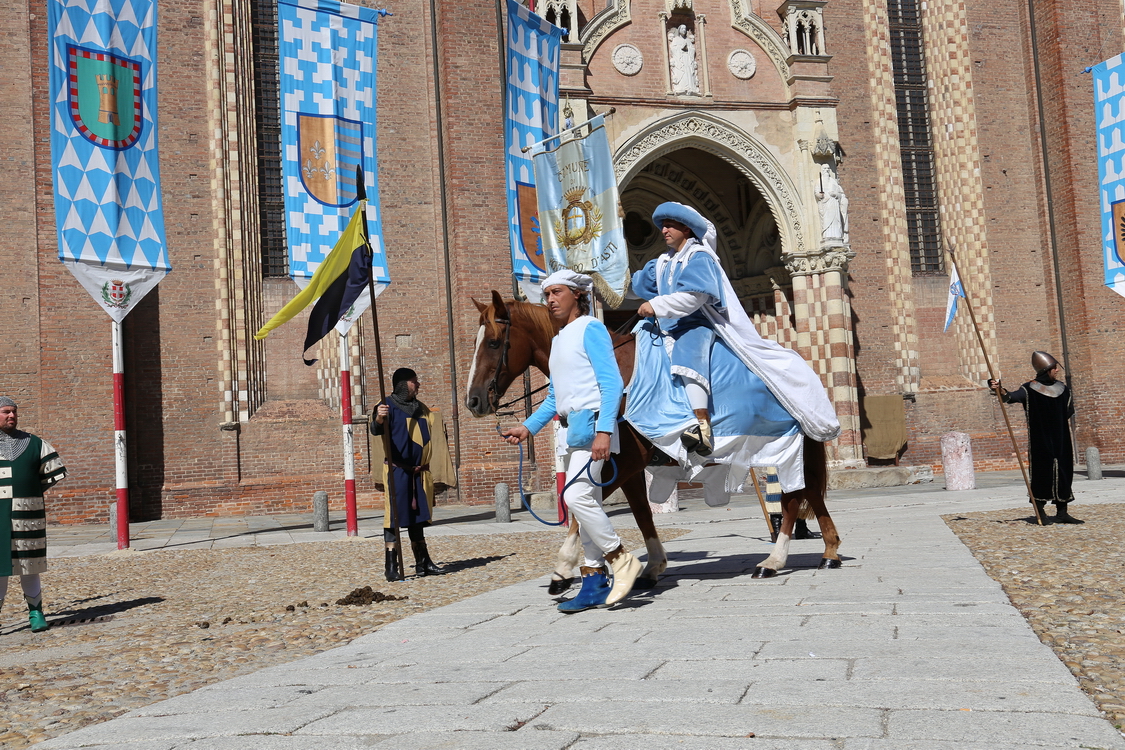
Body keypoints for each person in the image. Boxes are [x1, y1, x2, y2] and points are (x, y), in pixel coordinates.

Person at [631, 201, 841, 462]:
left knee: (688, 350)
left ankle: (701, 426)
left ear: (686, 228)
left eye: (670, 225)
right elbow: (638, 285)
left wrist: (657, 304)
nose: (664, 230)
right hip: (667, 325)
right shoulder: (663, 262)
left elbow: (694, 297)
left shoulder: (699, 257)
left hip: (696, 323)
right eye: (662, 225)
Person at [502, 269, 643, 612]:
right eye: (547, 294)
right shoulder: (561, 338)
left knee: (575, 495)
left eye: (556, 292)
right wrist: (528, 427)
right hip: (572, 432)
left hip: (593, 428)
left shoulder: (591, 328)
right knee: (587, 500)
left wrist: (605, 431)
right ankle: (593, 582)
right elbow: (555, 396)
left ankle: (622, 559)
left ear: (576, 295)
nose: (549, 300)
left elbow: (612, 384)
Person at [371, 368, 457, 580]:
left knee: (417, 518)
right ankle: (391, 565)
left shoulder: (421, 408)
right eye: (413, 382)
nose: (417, 385)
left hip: (418, 473)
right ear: (401, 384)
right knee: (394, 517)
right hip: (397, 471)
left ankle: (423, 562)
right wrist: (380, 418)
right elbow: (375, 429)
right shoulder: (386, 406)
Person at [988, 351, 1082, 524]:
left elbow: (1068, 411)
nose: (1057, 371)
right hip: (1041, 439)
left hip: (1061, 438)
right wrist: (999, 389)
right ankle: (1040, 511)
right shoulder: (1029, 389)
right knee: (1042, 473)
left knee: (1064, 471)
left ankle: (1062, 512)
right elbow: (1010, 397)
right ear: (1046, 369)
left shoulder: (1063, 389)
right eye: (1054, 368)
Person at [1, 397, 67, 633]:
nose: (12, 416)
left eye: (14, 412)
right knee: (0, 569)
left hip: (28, 516)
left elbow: (51, 474)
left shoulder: (34, 444)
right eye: (6, 412)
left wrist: (28, 493)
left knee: (29, 566)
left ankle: (36, 612)